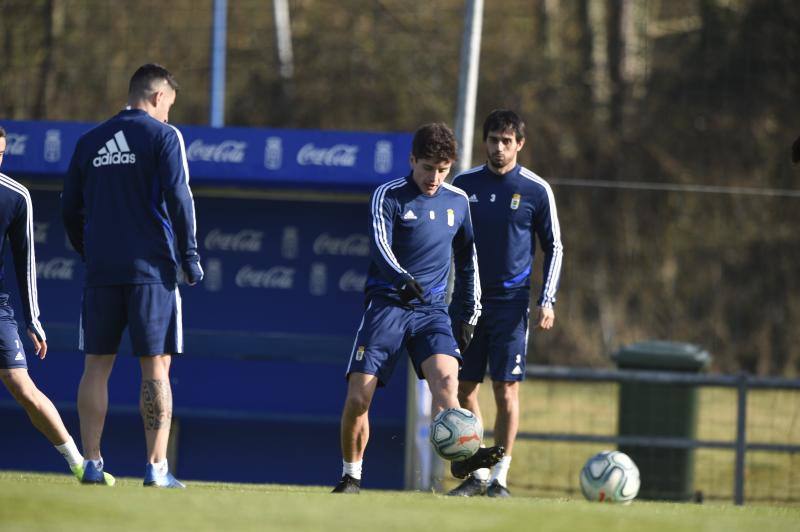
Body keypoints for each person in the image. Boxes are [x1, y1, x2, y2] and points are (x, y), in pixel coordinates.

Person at [332, 122, 504, 494]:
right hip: (388, 307)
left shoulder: (457, 202)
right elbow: (379, 244)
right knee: (359, 397)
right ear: (412, 160)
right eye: (427, 168)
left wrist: (468, 313)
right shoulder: (388, 195)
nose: (434, 177)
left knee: (449, 385)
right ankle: (351, 475)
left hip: (431, 313)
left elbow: (468, 257)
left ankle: (468, 465)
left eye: (443, 169)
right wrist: (400, 279)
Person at [62, 64, 203, 488]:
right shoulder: (163, 136)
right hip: (150, 272)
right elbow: (180, 198)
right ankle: (156, 468)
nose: (169, 116)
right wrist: (190, 255)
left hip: (102, 272)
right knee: (155, 366)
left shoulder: (89, 141)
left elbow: (69, 208)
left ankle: (92, 463)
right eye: (170, 107)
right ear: (159, 97)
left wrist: (90, 252)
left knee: (95, 366)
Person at [448, 109, 564, 497]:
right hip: (468, 303)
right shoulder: (463, 185)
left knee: (506, 390)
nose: (499, 148)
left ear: (520, 145)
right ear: (485, 141)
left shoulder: (535, 189)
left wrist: (546, 299)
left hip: (512, 304)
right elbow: (443, 238)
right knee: (464, 390)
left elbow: (554, 247)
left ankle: (500, 477)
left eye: (507, 141)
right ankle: (478, 473)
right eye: (493, 140)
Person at [0, 126, 114, 485]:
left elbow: (25, 261)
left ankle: (80, 464)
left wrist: (33, 318)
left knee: (22, 386)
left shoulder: (15, 197)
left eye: (0, 153)